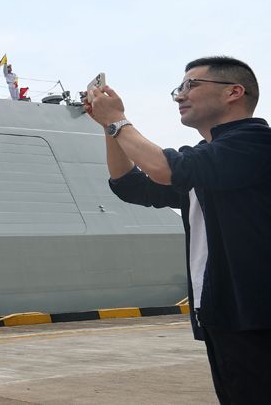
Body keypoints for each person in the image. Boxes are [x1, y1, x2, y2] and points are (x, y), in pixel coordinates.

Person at [85, 56, 271, 404]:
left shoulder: (256, 143)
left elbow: (167, 168)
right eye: (178, 88)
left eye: (190, 85)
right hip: (222, 311)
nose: (179, 96)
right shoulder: (207, 159)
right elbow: (131, 185)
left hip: (257, 312)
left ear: (233, 92)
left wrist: (118, 120)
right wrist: (108, 128)